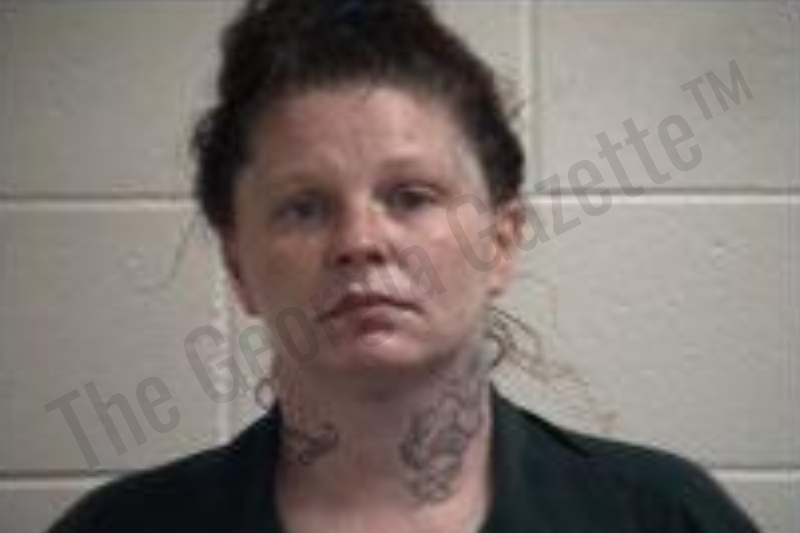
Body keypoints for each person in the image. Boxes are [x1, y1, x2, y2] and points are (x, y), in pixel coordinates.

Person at [47, 0, 762, 532]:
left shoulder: (665, 517)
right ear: (238, 268)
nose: (360, 241)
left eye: (411, 197)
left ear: (500, 244)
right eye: (303, 207)